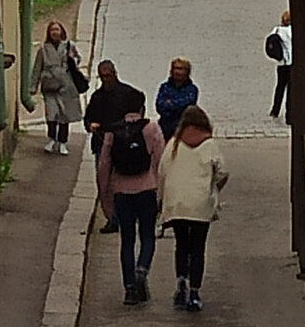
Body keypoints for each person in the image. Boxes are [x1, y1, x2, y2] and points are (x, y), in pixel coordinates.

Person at [98, 87, 165, 305]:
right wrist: (162, 194)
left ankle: (129, 289)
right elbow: (161, 162)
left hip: (122, 192)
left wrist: (105, 196)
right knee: (147, 236)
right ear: (141, 108)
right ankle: (142, 269)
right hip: (147, 190)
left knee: (127, 240)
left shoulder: (112, 132)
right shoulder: (151, 128)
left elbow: (104, 164)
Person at [158, 106, 229, 313]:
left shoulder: (174, 144)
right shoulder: (209, 145)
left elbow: (162, 172)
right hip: (200, 203)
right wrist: (213, 188)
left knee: (181, 244)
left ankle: (181, 285)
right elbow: (223, 172)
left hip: (177, 203)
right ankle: (195, 294)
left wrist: (161, 200)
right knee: (198, 248)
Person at [84, 60, 141, 232]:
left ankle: (124, 215)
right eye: (102, 77)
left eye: (108, 76)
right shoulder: (97, 97)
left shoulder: (127, 93)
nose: (105, 80)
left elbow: (139, 103)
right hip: (101, 143)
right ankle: (112, 218)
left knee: (122, 182)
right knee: (105, 183)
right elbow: (88, 118)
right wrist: (90, 125)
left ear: (114, 74)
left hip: (122, 144)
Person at [29, 21, 82, 155]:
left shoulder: (69, 46)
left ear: (61, 31)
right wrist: (33, 85)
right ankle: (52, 139)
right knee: (51, 114)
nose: (55, 32)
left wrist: (72, 59)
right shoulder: (43, 49)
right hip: (50, 86)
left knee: (64, 115)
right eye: (52, 30)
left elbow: (77, 60)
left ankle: (63, 142)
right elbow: (37, 68)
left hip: (65, 85)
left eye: (57, 29)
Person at [155, 58, 200, 142]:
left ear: (187, 71)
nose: (177, 72)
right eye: (175, 68)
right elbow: (159, 106)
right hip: (165, 129)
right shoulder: (164, 87)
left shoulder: (192, 89)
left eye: (181, 69)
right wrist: (176, 105)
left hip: (184, 129)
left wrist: (169, 104)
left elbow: (187, 106)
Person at [268, 10, 293, 119]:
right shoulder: (293, 31)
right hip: (292, 63)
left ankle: (275, 110)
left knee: (280, 87)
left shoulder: (277, 30)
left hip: (281, 63)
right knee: (291, 89)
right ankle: (289, 112)